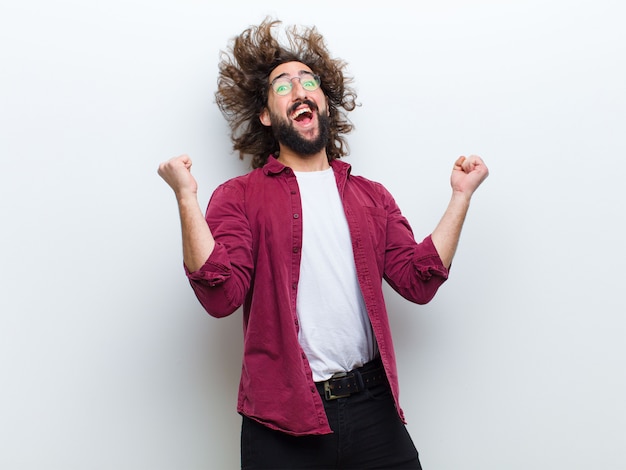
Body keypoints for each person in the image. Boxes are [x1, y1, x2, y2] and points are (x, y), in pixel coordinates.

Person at [158, 17, 488, 470]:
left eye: (308, 81)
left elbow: (419, 281)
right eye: (282, 86)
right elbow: (220, 295)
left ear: (325, 104)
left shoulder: (370, 196)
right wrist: (185, 197)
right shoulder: (239, 197)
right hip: (281, 418)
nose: (299, 90)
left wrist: (461, 195)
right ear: (265, 114)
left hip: (374, 408)